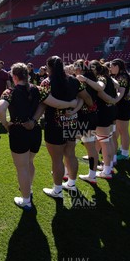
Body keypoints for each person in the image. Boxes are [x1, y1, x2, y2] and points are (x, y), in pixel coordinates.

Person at [0, 62, 78, 210]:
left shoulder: (9, 92)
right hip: (35, 131)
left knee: (22, 167)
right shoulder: (38, 89)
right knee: (29, 162)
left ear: (14, 77)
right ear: (27, 75)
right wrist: (72, 102)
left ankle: (26, 199)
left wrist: (6, 124)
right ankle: (29, 189)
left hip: (19, 131)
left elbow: (0, 109)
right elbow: (55, 104)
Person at [41, 56, 92, 197]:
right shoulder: (74, 80)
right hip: (71, 123)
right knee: (70, 154)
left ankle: (57, 190)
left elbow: (43, 103)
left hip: (54, 124)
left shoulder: (46, 82)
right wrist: (82, 108)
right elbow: (86, 97)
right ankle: (71, 184)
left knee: (56, 159)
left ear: (49, 67)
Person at [76, 60, 118, 180]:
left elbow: (100, 90)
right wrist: (113, 100)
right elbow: (115, 84)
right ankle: (107, 166)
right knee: (107, 140)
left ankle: (106, 170)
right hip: (108, 112)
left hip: (101, 113)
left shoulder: (97, 80)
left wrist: (112, 100)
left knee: (104, 142)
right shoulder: (105, 78)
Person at [109, 58, 130, 160]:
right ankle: (120, 150)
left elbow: (121, 92)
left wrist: (113, 100)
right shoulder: (119, 76)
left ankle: (125, 154)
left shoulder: (122, 76)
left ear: (117, 66)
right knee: (117, 131)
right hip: (120, 105)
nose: (110, 68)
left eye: (111, 66)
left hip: (123, 106)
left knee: (123, 131)